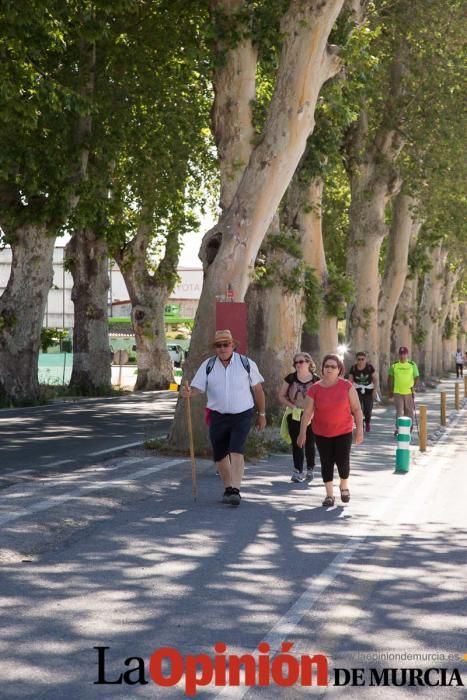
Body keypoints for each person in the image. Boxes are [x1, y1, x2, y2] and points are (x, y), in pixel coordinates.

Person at [182, 329, 266, 506]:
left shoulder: (246, 363)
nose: (222, 348)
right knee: (220, 454)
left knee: (236, 450)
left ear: (233, 345)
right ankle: (228, 488)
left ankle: (236, 489)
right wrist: (189, 393)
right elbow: (198, 388)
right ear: (215, 348)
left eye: (226, 344)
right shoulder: (208, 365)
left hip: (242, 414)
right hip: (217, 415)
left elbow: (258, 390)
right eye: (218, 345)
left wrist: (262, 414)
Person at [297, 353, 363, 507]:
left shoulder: (346, 386)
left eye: (333, 366)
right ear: (322, 369)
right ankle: (329, 495)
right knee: (326, 462)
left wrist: (359, 430)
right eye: (327, 366)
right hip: (321, 432)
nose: (329, 369)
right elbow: (307, 413)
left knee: (342, 461)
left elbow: (357, 409)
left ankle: (344, 485)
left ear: (339, 369)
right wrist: (302, 433)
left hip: (343, 430)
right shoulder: (315, 389)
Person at [278, 352, 320, 483]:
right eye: (296, 362)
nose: (298, 365)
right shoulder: (290, 378)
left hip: (312, 415)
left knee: (310, 443)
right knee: (297, 443)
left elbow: (321, 397)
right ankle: (298, 471)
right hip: (294, 414)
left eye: (301, 362)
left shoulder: (316, 379)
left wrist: (315, 410)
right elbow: (281, 395)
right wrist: (292, 406)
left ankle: (310, 469)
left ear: (309, 363)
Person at [388, 346, 419, 435]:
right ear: (399, 355)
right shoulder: (394, 365)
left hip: (409, 392)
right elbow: (390, 378)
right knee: (399, 411)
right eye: (401, 354)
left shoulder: (412, 364)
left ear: (407, 354)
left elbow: (417, 377)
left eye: (404, 354)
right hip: (397, 392)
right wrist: (390, 390)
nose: (402, 356)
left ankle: (409, 427)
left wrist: (414, 386)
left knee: (409, 411)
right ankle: (399, 429)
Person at [348, 351, 379, 432]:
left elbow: (375, 379)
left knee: (368, 409)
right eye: (359, 359)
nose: (361, 361)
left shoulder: (369, 367)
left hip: (368, 391)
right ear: (356, 360)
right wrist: (348, 392)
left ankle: (367, 422)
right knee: (357, 408)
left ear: (366, 359)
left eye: (362, 359)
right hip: (356, 391)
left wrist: (375, 391)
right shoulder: (353, 368)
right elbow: (350, 381)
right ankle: (360, 424)